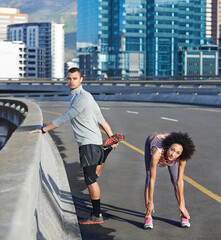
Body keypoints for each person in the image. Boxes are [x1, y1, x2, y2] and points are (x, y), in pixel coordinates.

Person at [29, 67, 118, 225]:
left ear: (81, 79)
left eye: (75, 78)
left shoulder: (81, 98)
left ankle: (97, 216)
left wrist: (43, 129)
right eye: (69, 78)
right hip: (94, 142)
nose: (71, 81)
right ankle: (105, 150)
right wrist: (111, 136)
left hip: (88, 144)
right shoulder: (85, 96)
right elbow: (101, 119)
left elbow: (65, 117)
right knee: (93, 175)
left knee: (90, 180)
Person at [143, 132, 195, 229]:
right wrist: (150, 201)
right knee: (148, 176)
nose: (173, 154)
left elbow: (180, 181)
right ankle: (148, 215)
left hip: (165, 139)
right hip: (152, 141)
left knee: (175, 180)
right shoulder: (157, 153)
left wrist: (182, 205)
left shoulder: (182, 157)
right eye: (172, 149)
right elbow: (152, 179)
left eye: (177, 153)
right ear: (168, 147)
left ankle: (183, 214)